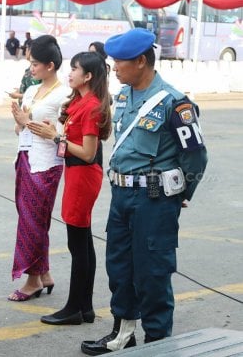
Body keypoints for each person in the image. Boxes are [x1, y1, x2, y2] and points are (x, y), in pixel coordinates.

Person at [80, 28, 208, 355]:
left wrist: (180, 193)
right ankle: (122, 333)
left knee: (153, 273)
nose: (114, 67)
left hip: (154, 200)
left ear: (140, 61)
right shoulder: (124, 95)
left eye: (120, 61)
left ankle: (157, 343)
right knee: (120, 267)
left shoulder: (174, 103)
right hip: (122, 197)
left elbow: (195, 155)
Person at [27, 52, 112, 326]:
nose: (70, 72)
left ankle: (74, 307)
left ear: (88, 76)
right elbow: (71, 141)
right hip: (76, 173)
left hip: (83, 174)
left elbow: (88, 153)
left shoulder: (91, 106)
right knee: (83, 242)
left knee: (78, 244)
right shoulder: (80, 102)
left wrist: (56, 137)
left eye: (75, 69)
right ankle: (83, 307)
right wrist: (57, 133)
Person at [8, 35, 69, 302]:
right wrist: (20, 121)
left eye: (35, 64)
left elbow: (61, 135)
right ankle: (43, 273)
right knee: (32, 220)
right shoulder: (32, 90)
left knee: (32, 223)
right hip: (25, 157)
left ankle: (32, 280)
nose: (31, 68)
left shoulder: (64, 95)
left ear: (51, 65)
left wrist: (27, 121)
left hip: (46, 164)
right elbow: (21, 128)